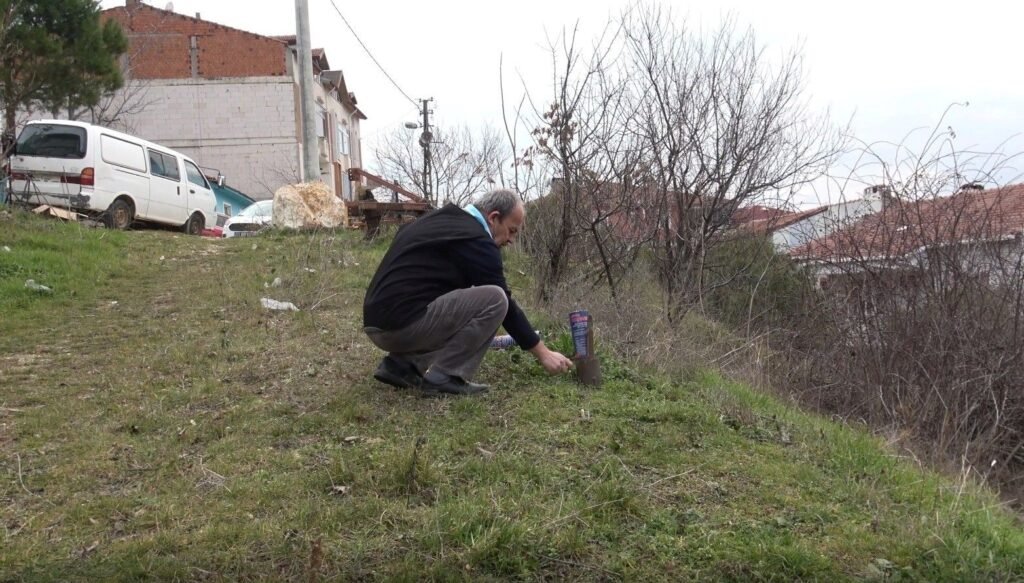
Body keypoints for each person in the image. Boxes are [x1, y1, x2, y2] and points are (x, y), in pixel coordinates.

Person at [362, 188, 574, 395]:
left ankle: (401, 366)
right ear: (493, 217)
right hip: (400, 328)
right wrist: (543, 354)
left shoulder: (437, 221)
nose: (511, 240)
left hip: (377, 323)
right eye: (512, 230)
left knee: (460, 299)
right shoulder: (477, 240)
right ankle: (445, 375)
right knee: (496, 299)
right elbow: (506, 308)